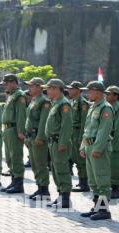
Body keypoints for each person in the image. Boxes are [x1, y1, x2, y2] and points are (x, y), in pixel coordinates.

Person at [79, 81, 114, 220]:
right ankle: (97, 207)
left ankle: (104, 210)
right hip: (89, 146)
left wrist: (98, 148)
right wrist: (83, 146)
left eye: (90, 91)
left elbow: (104, 131)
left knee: (102, 179)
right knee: (93, 180)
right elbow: (87, 129)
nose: (88, 94)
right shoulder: (93, 106)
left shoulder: (106, 108)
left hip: (98, 147)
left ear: (98, 92)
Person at [44, 79, 73, 208]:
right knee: (55, 170)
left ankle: (65, 198)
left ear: (56, 89)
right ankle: (61, 195)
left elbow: (66, 126)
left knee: (62, 169)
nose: (47, 91)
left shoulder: (64, 104)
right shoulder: (55, 103)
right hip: (52, 142)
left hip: (59, 142)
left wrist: (63, 143)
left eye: (49, 89)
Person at [23, 78, 51, 200]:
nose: (29, 88)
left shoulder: (44, 102)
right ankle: (39, 187)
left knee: (40, 164)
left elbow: (44, 121)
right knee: (34, 164)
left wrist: (40, 137)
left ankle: (44, 191)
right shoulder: (34, 100)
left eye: (32, 86)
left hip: (37, 137)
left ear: (40, 87)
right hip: (31, 137)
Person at [0, 74, 27, 194]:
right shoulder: (11, 95)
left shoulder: (19, 95)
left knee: (16, 156)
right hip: (7, 129)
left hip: (14, 129)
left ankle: (19, 183)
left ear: (13, 82)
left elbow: (21, 114)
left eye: (6, 83)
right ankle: (13, 181)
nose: (5, 86)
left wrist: (21, 131)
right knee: (9, 157)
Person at [67, 81, 90, 192]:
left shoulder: (83, 103)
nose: (69, 91)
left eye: (72, 89)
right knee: (75, 157)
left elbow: (84, 122)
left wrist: (81, 137)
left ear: (78, 90)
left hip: (78, 133)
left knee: (81, 159)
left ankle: (84, 183)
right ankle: (81, 181)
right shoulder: (73, 102)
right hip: (72, 132)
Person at [105, 85, 119, 199]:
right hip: (109, 141)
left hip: (115, 142)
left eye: (109, 94)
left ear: (116, 96)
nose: (106, 96)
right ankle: (111, 187)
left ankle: (116, 190)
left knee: (115, 167)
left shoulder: (117, 108)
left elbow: (118, 128)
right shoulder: (109, 107)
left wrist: (116, 145)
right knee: (109, 166)